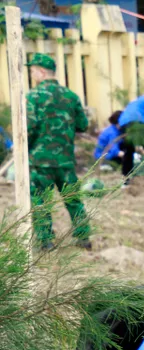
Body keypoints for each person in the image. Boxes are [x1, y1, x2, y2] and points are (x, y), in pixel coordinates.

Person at [25, 53, 91, 250]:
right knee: (72, 199)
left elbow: (28, 127)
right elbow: (83, 124)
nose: (32, 74)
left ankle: (45, 241)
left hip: (40, 160)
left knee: (40, 201)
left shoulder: (33, 96)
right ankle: (83, 238)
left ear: (42, 71)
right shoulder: (71, 96)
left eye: (33, 70)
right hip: (65, 159)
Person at [117, 94, 144, 177]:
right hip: (139, 121)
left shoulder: (142, 99)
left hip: (124, 122)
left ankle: (125, 177)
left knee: (128, 150)